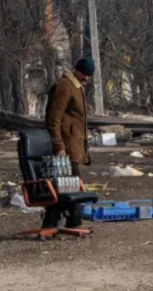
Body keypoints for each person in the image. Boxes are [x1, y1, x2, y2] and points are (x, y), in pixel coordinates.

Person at [44, 57, 95, 228]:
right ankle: (73, 220)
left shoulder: (77, 86)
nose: (86, 78)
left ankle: (55, 221)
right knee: (72, 183)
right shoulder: (65, 86)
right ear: (77, 71)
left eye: (89, 75)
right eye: (85, 74)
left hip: (73, 144)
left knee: (65, 184)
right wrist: (58, 144)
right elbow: (54, 118)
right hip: (65, 146)